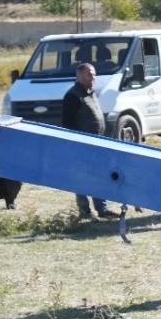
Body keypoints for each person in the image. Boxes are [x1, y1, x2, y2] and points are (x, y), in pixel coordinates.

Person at [61, 62, 115, 219]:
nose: (93, 77)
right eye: (89, 74)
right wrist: (78, 142)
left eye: (94, 74)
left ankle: (102, 209)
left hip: (96, 145)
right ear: (79, 76)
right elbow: (68, 122)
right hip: (81, 146)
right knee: (82, 179)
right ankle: (85, 212)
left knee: (98, 177)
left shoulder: (91, 92)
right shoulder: (73, 95)